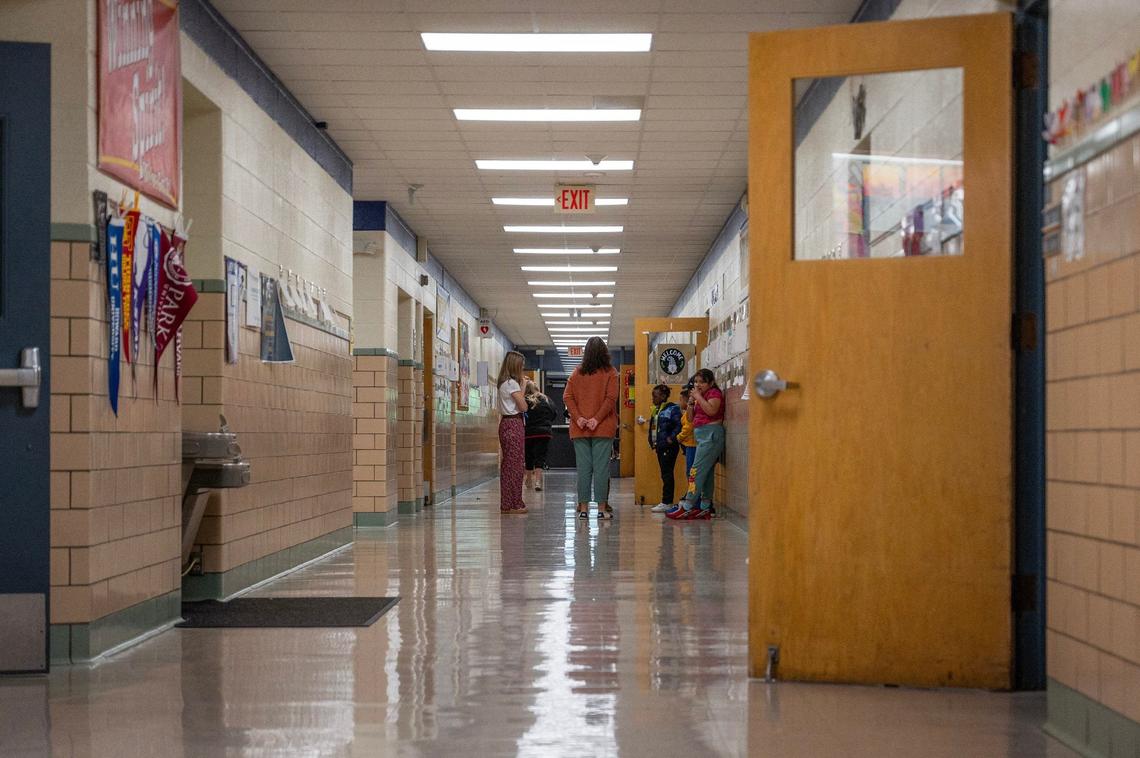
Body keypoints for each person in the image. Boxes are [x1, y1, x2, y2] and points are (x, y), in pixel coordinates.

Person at [563, 336, 619, 519]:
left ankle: (584, 509)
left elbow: (567, 397)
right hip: (603, 428)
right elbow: (611, 399)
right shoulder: (611, 372)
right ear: (605, 352)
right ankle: (602, 509)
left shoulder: (577, 373)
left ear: (585, 353)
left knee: (584, 468)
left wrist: (579, 418)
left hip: (580, 429)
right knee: (601, 468)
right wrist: (597, 419)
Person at [667, 369, 724, 520]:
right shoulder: (700, 397)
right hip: (701, 436)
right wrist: (691, 404)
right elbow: (691, 419)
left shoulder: (714, 394)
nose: (698, 385)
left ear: (711, 383)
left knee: (696, 471)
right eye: (696, 382)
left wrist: (698, 396)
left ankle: (687, 505)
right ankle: (705, 507)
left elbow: (712, 411)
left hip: (711, 435)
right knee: (706, 473)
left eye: (702, 382)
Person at [496, 351, 529, 514]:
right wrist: (522, 385)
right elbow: (523, 407)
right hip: (513, 423)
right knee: (515, 465)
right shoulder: (512, 384)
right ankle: (514, 503)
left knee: (509, 464)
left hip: (505, 423)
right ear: (516, 365)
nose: (523, 369)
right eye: (521, 365)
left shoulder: (504, 383)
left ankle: (508, 502)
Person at [648, 385, 682, 514]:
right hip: (660, 446)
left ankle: (667, 502)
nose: (653, 399)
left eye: (655, 396)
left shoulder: (672, 409)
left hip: (668, 446)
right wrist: (652, 442)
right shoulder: (657, 410)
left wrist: (671, 438)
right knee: (664, 473)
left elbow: (679, 425)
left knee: (667, 474)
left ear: (663, 396)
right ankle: (666, 501)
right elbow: (654, 426)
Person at [523, 380, 556, 492]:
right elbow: (554, 413)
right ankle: (538, 481)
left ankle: (528, 479)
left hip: (529, 433)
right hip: (544, 432)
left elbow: (522, 415)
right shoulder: (547, 399)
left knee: (529, 456)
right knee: (540, 456)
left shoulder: (526, 400)